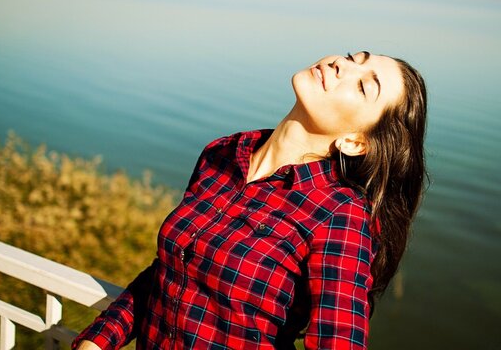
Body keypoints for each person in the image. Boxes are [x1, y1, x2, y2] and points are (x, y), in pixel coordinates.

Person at [73, 51, 427, 350]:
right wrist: (98, 340)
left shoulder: (340, 216)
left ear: (354, 143)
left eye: (363, 85)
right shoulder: (223, 153)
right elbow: (168, 273)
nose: (341, 65)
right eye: (352, 57)